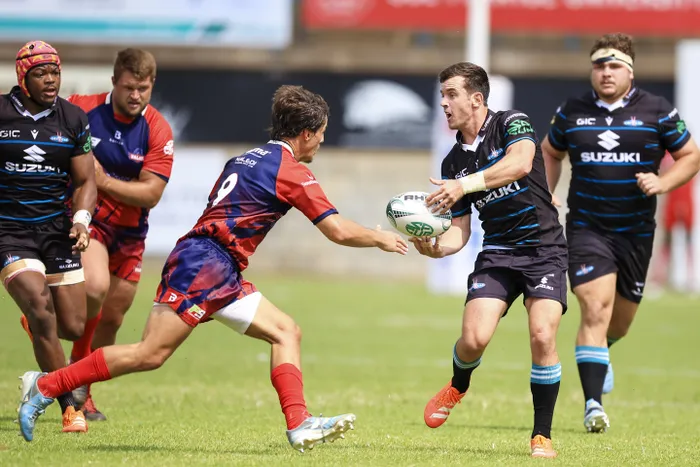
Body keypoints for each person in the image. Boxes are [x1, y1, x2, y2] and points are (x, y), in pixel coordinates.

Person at [16, 85, 409, 448]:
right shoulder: (290, 170)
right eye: (320, 133)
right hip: (206, 264)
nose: (321, 141)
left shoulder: (243, 159)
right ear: (305, 133)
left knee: (286, 331)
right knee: (149, 353)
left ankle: (299, 422)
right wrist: (379, 238)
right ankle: (48, 385)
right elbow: (336, 230)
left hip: (216, 265)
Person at [541, 33, 700, 433]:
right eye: (599, 65)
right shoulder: (572, 111)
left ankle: (603, 350)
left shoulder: (658, 110)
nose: (606, 72)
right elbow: (550, 151)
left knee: (620, 323)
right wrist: (547, 192)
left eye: (614, 66)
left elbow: (691, 156)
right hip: (586, 228)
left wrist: (663, 183)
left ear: (630, 71)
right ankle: (593, 405)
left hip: (636, 232)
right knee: (595, 308)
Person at [414, 62, 567, 459]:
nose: (444, 103)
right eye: (442, 95)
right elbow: (459, 232)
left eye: (451, 94)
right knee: (473, 340)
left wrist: (464, 185)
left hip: (544, 250)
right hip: (498, 253)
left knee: (543, 335)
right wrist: (435, 248)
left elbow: (520, 163)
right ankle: (457, 386)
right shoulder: (452, 162)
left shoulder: (511, 123)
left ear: (476, 99)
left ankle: (541, 435)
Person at [65, 48, 173, 421]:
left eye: (143, 88)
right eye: (128, 87)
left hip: (130, 234)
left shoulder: (157, 129)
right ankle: (76, 386)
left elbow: (151, 193)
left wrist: (104, 180)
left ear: (152, 85)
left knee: (112, 319)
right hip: (90, 220)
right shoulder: (81, 110)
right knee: (95, 287)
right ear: (114, 82)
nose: (135, 95)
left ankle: (82, 385)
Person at [1, 41, 96, 432]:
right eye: (40, 73)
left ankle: (38, 341)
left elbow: (85, 180)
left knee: (72, 327)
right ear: (23, 77)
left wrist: (82, 220)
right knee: (41, 309)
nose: (50, 80)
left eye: (55, 72)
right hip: (10, 232)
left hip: (56, 232)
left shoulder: (72, 118)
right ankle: (69, 408)